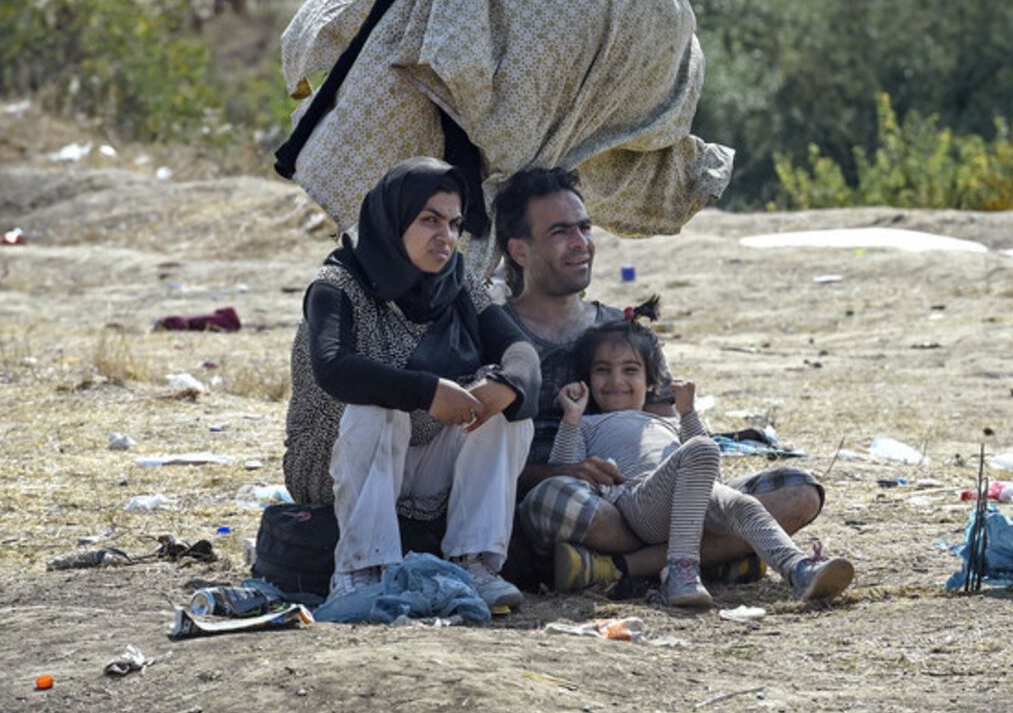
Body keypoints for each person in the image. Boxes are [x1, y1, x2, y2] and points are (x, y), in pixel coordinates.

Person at [494, 167, 828, 592]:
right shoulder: (496, 333)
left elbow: (668, 433)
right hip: (580, 505)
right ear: (520, 251)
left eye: (584, 227)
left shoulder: (622, 329)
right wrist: (565, 470)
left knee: (800, 491)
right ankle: (718, 552)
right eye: (561, 232)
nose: (581, 243)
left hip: (656, 496)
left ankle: (618, 568)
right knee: (561, 501)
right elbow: (481, 463)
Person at [283, 158, 539, 608]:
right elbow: (333, 367)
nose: (446, 235)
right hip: (331, 461)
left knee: (507, 412)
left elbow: (521, 353)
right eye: (429, 220)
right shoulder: (337, 284)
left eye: (455, 223)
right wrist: (427, 391)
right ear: (393, 219)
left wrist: (506, 384)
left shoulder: (458, 285)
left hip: (419, 460)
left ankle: (473, 564)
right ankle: (362, 571)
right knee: (376, 406)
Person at [552, 301, 854, 608]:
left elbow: (713, 475)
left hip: (693, 502)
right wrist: (571, 418)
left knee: (744, 505)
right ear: (588, 380)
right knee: (702, 449)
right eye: (603, 371)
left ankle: (800, 570)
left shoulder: (669, 421)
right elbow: (565, 466)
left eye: (630, 370)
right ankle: (682, 570)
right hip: (639, 503)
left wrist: (688, 414)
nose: (616, 380)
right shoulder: (589, 423)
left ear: (652, 382)